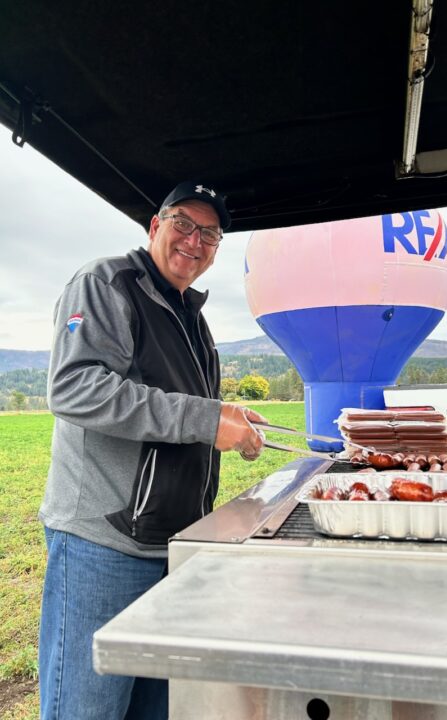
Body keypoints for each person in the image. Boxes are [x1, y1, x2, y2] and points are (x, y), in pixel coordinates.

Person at [38, 181, 266, 719]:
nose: (195, 240)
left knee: (155, 710)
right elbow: (74, 388)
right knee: (86, 710)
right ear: (154, 225)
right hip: (104, 543)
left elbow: (183, 412)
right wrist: (207, 418)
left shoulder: (191, 316)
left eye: (210, 234)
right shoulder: (107, 282)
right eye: (183, 223)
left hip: (172, 546)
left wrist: (230, 421)